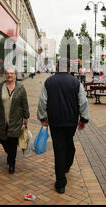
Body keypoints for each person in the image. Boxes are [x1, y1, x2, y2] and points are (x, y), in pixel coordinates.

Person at [37, 66, 89, 194]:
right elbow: (83, 101)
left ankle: (60, 183)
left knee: (59, 148)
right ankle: (66, 166)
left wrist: (42, 117)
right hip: (71, 121)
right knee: (68, 142)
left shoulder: (49, 82)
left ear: (57, 67)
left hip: (55, 122)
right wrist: (83, 119)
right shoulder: (76, 82)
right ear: (68, 68)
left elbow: (42, 101)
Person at [0, 66, 29, 174]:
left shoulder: (21, 88)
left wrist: (26, 116)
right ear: (5, 75)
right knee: (2, 139)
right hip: (2, 120)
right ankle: (9, 153)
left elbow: (24, 103)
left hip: (15, 121)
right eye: (7, 73)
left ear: (15, 75)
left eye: (12, 73)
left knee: (13, 142)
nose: (9, 75)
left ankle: (12, 164)